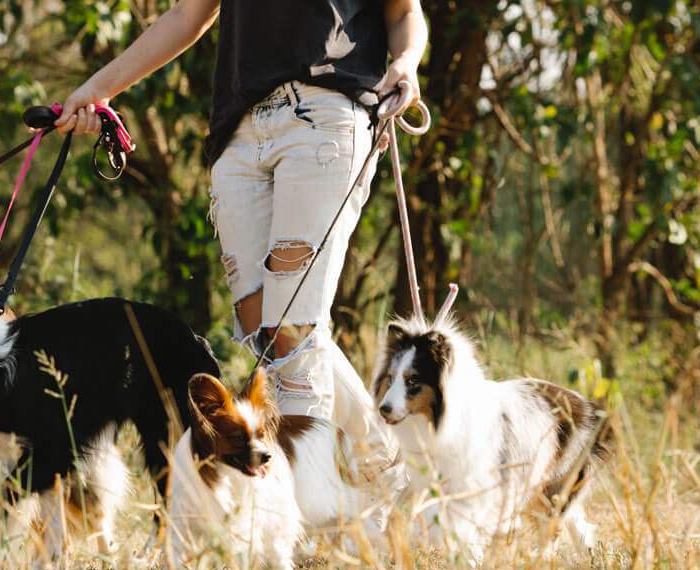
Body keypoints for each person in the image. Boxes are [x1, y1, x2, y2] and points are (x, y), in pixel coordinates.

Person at [55, 0, 426, 482]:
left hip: (327, 114)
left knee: (293, 330)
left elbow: (403, 12)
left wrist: (406, 64)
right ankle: (385, 467)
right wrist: (95, 92)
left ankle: (302, 514)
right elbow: (187, 16)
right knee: (270, 336)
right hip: (238, 132)